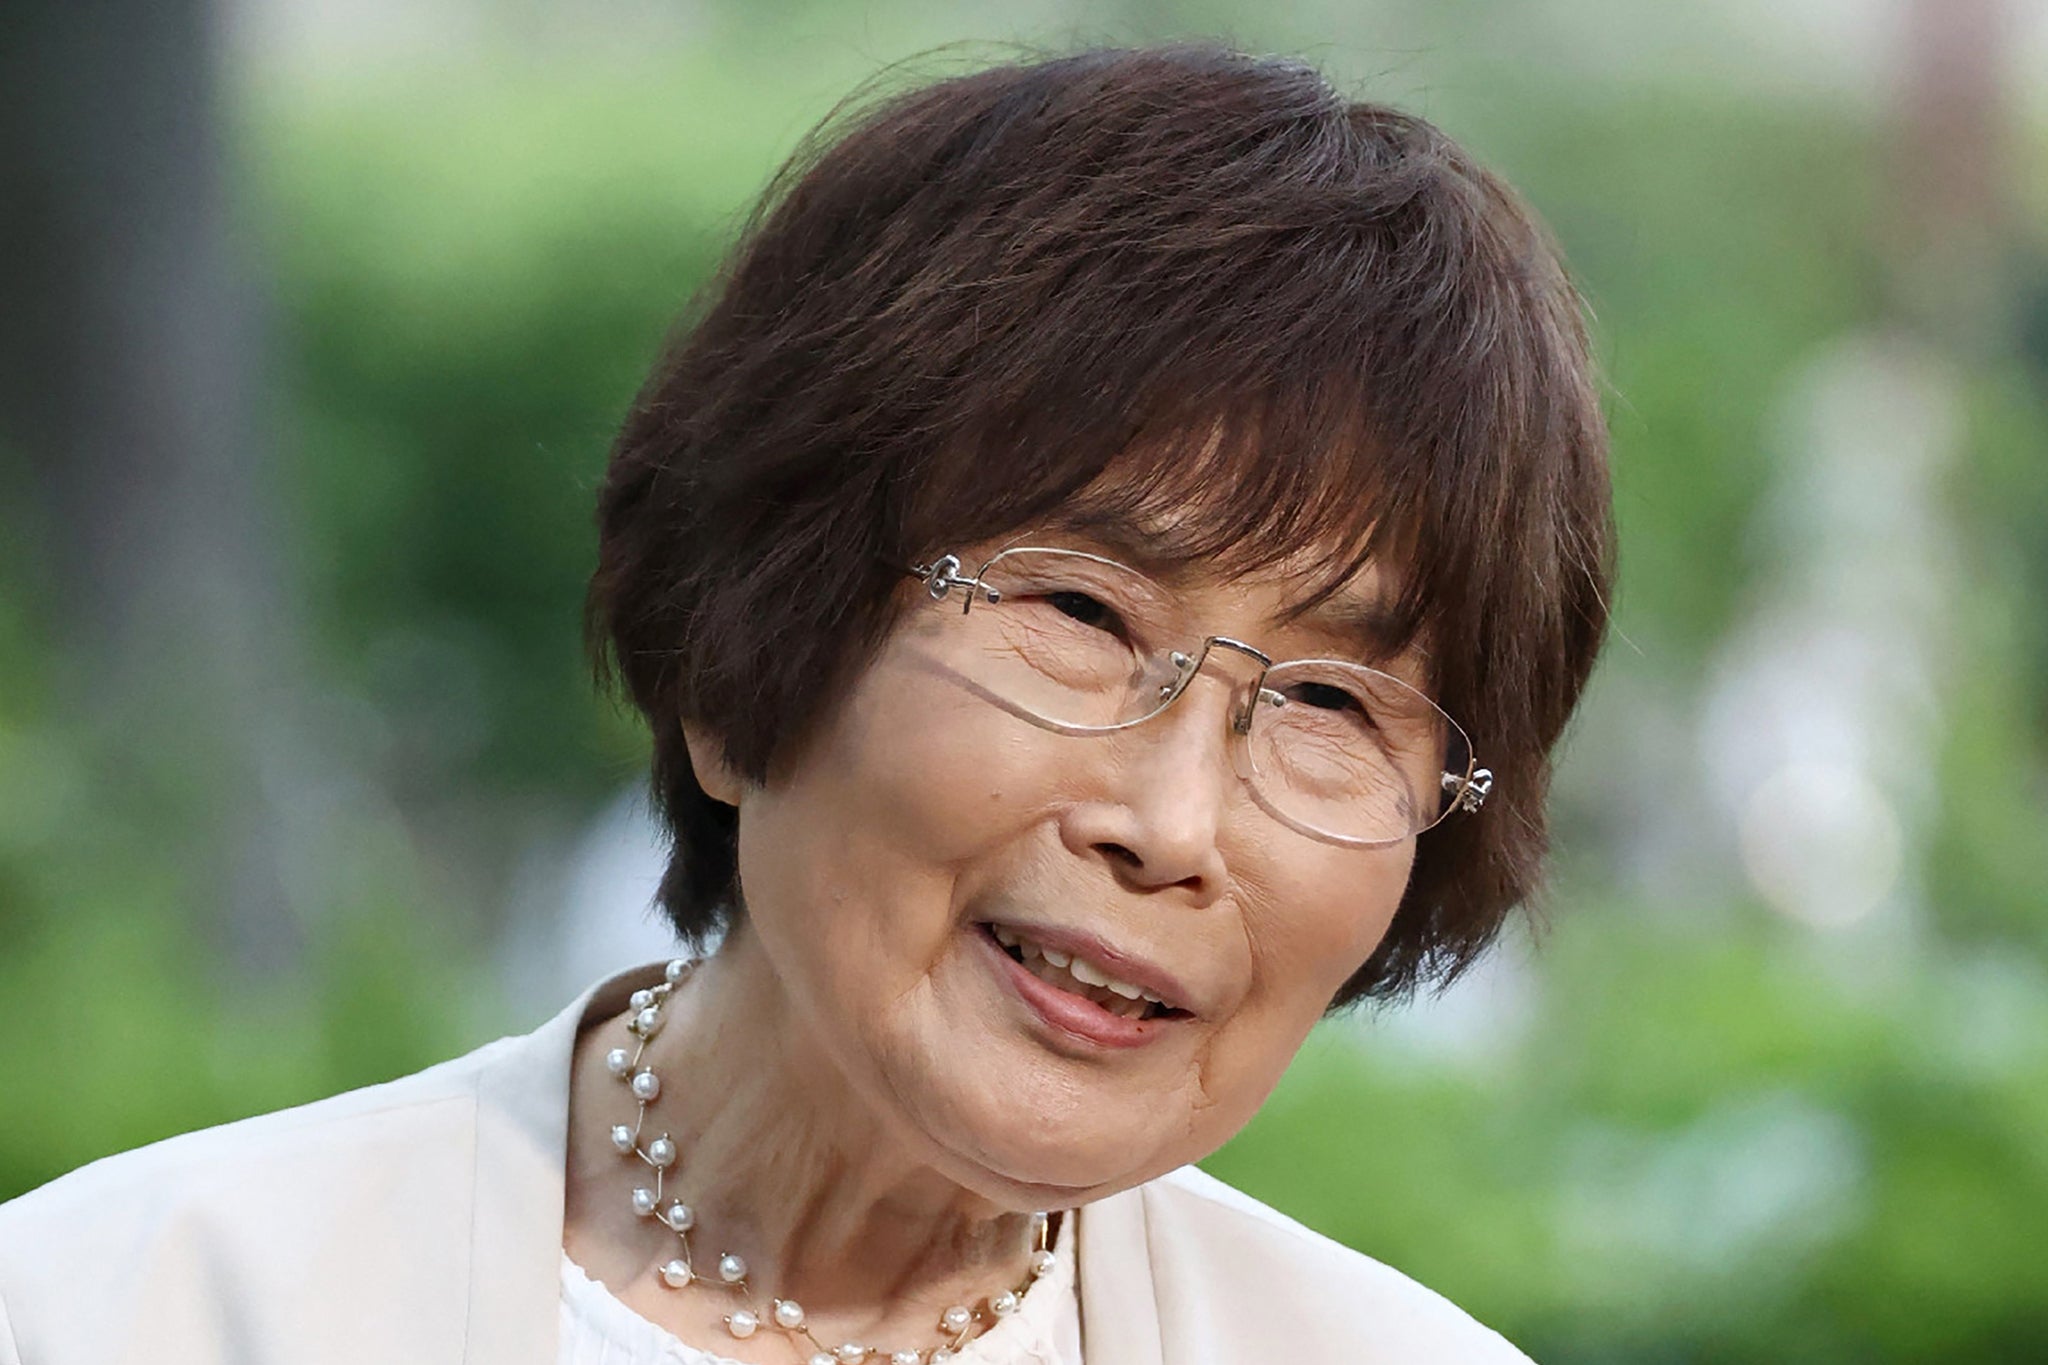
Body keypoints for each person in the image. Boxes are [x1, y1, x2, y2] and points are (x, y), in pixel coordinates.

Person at [0, 44, 1612, 1365]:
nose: (1174, 825)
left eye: (1334, 700)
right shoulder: (127, 1309)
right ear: (746, 642)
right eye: (1078, 610)